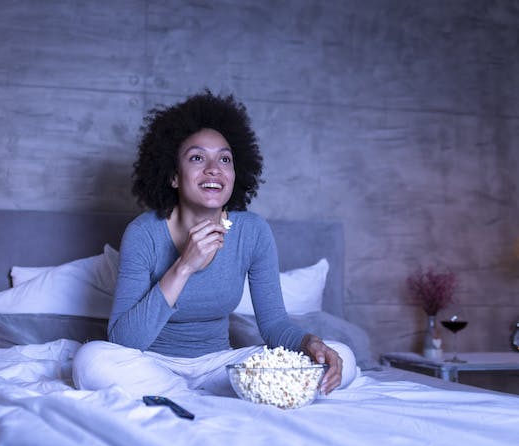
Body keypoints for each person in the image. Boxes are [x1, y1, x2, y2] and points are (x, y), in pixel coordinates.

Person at [72, 90, 349, 398]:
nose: (214, 168)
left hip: (220, 365)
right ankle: (203, 393)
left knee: (339, 356)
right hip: (150, 364)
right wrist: (184, 265)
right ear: (174, 176)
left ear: (235, 173)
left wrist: (309, 342)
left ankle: (200, 390)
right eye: (197, 157)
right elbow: (123, 341)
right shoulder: (143, 233)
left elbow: (274, 326)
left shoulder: (252, 231)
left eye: (225, 159)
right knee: (90, 362)